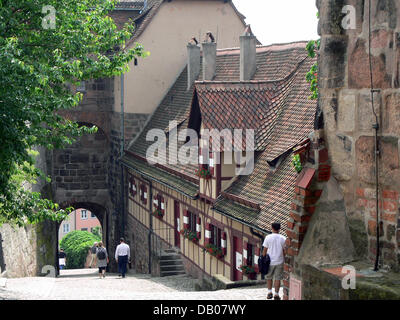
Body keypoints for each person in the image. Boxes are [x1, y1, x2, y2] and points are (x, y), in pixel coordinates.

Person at [262, 222, 286, 300]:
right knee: (278, 278)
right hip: (279, 261)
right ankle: (276, 294)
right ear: (279, 229)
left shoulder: (268, 237)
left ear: (272, 228)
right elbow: (284, 251)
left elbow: (264, 250)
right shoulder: (283, 238)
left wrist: (263, 259)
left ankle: (269, 292)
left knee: (269, 277)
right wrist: (284, 259)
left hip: (269, 262)